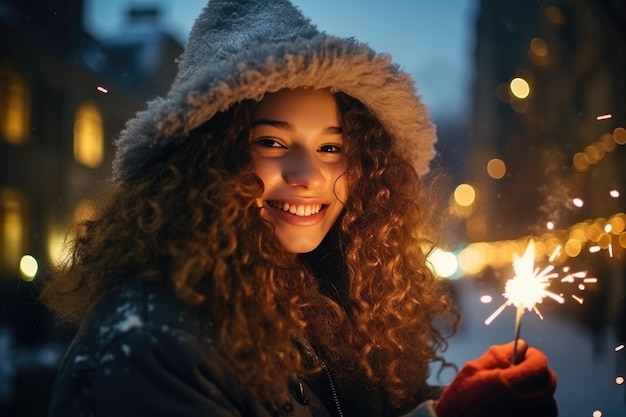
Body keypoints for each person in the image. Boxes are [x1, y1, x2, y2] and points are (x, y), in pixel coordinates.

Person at [41, 1, 559, 416]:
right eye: (270, 142)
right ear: (204, 162)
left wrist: (458, 399)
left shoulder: (318, 297)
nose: (308, 175)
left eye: (331, 147)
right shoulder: (152, 342)